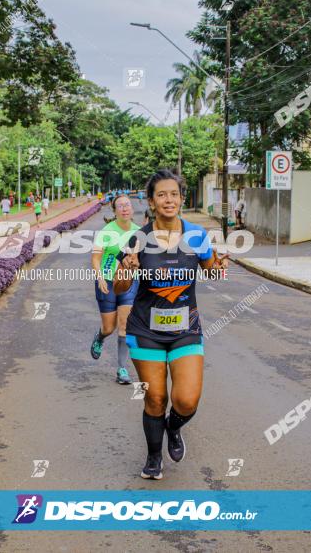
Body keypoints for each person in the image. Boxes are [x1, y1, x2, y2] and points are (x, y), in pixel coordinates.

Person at [114, 169, 229, 480]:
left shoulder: (196, 235)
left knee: (186, 400)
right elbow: (119, 288)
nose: (169, 200)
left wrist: (219, 266)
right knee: (155, 398)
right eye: (161, 195)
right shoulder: (137, 239)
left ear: (181, 199)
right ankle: (154, 457)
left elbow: (213, 273)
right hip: (145, 331)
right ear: (151, 202)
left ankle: (173, 427)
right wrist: (127, 269)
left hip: (185, 329)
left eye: (174, 194)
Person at [90, 194, 140, 385]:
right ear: (115, 211)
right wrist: (100, 276)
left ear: (132, 209)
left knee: (125, 324)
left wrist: (136, 265)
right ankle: (100, 336)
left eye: (127, 205)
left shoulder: (139, 233)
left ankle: (122, 369)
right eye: (120, 206)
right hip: (107, 282)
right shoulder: (106, 231)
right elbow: (95, 258)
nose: (125, 208)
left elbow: (140, 260)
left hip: (128, 282)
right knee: (109, 327)